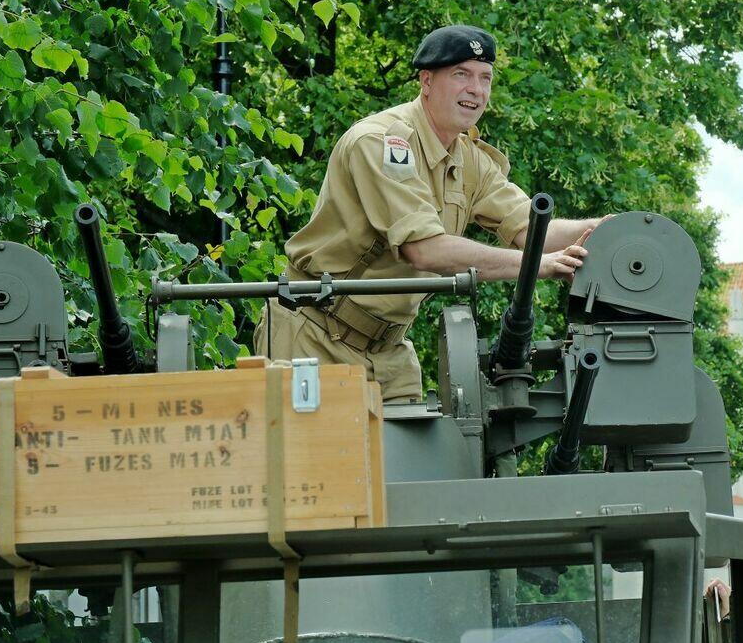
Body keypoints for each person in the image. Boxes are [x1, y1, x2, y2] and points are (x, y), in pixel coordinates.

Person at [255, 24, 604, 402]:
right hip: (314, 336)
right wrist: (538, 265)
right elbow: (425, 250)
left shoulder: (468, 158)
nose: (476, 89)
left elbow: (531, 231)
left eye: (485, 78)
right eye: (461, 75)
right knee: (314, 442)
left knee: (420, 440)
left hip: (389, 351)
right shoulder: (382, 142)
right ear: (426, 81)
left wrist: (604, 228)